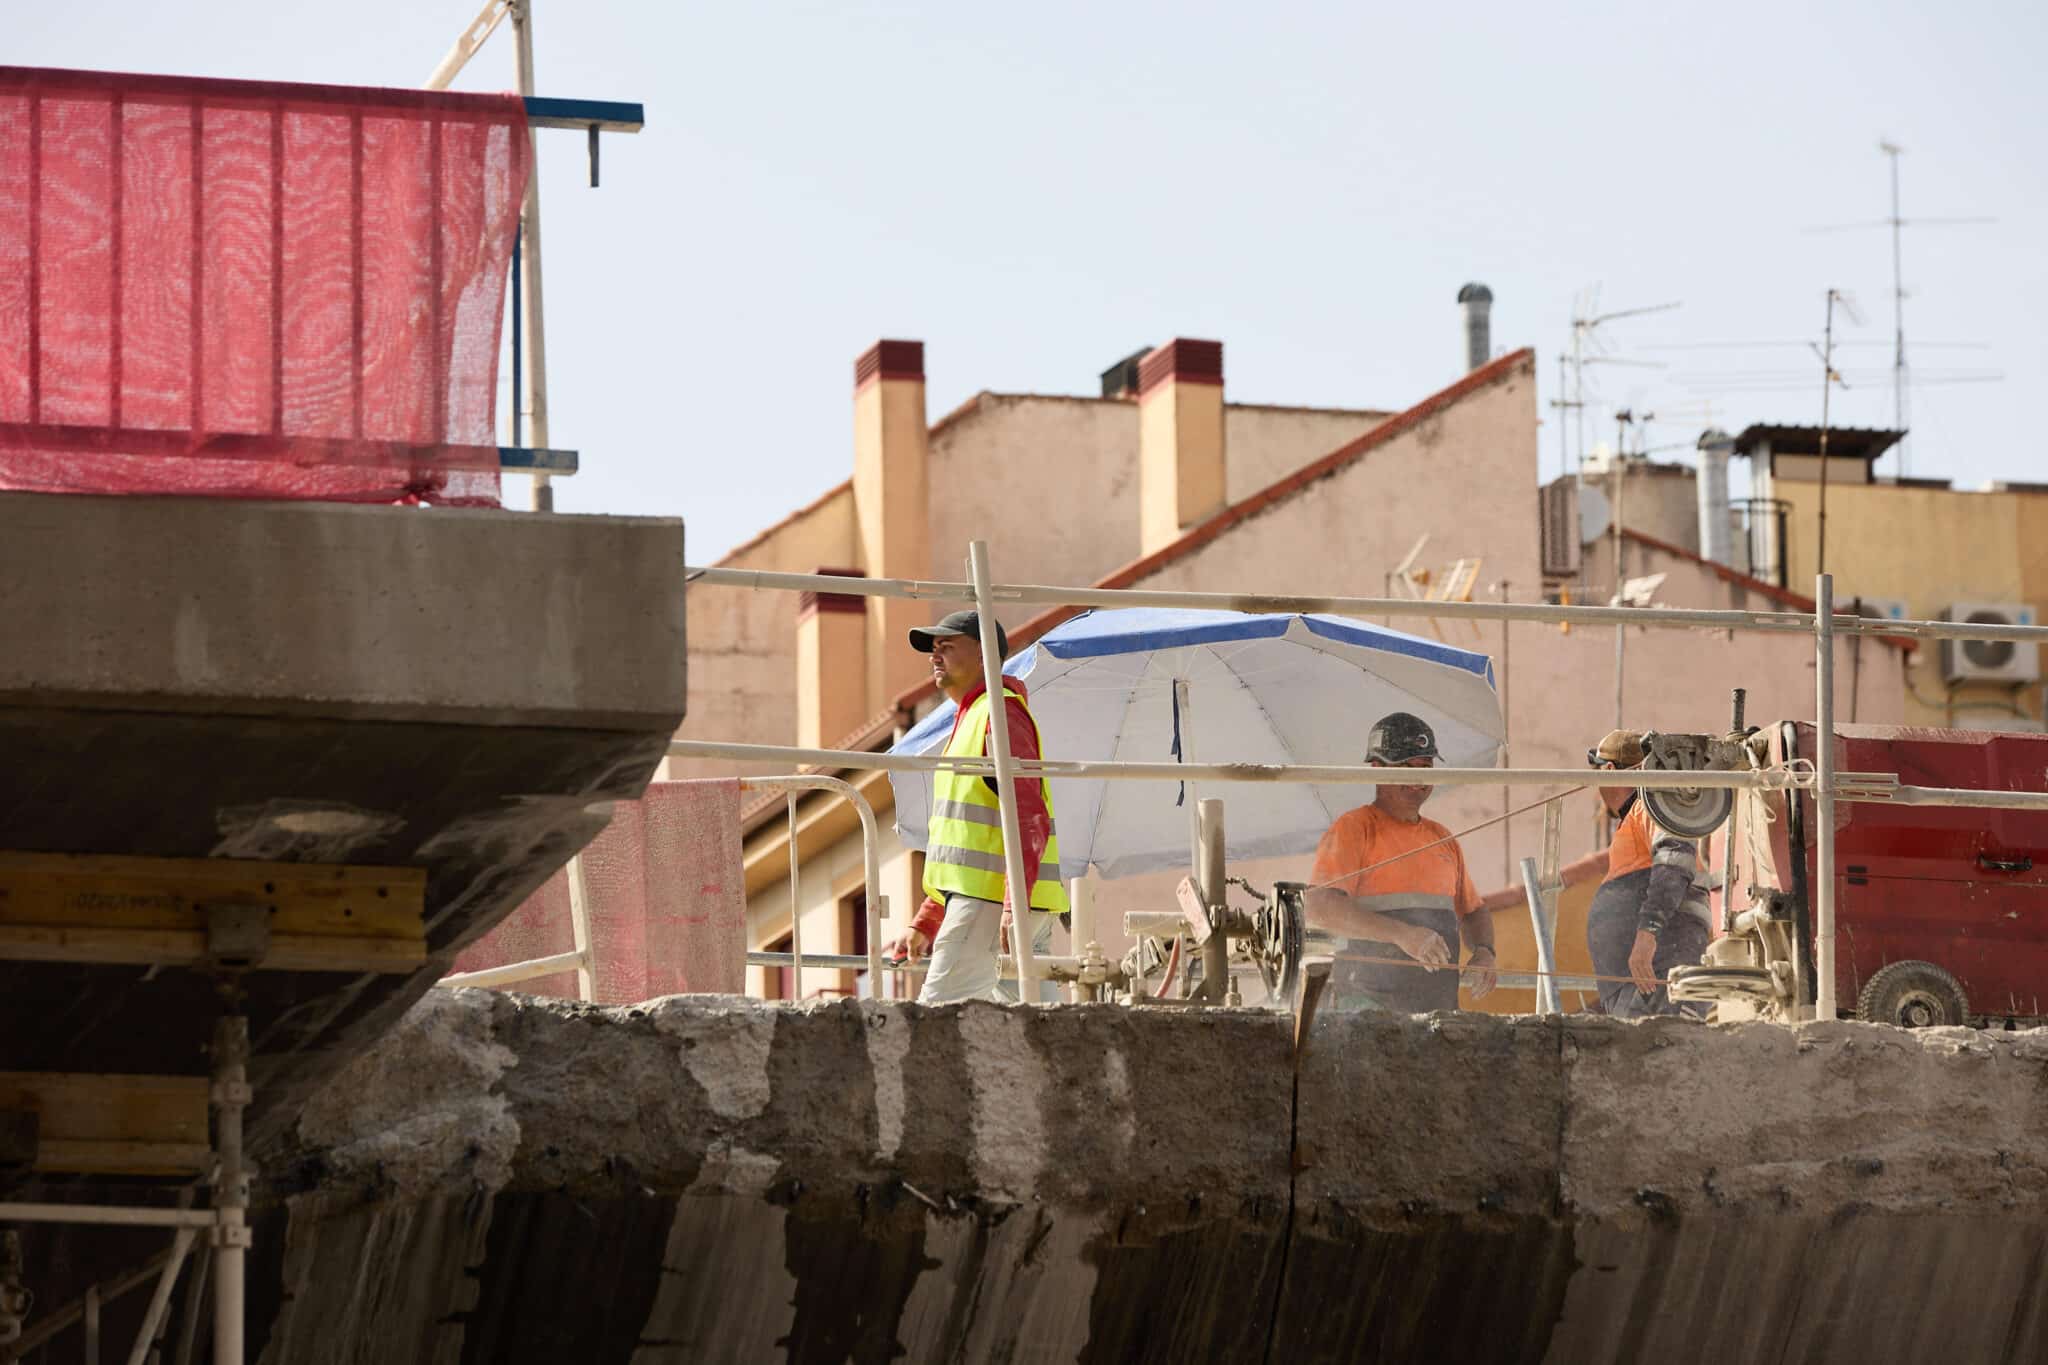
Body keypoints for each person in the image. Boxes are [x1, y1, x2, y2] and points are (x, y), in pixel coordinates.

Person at [888, 610, 1067, 1003]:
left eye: (947, 647)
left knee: (938, 1018)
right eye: (933, 649)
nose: (936, 656)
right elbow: (963, 849)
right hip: (999, 901)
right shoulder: (975, 717)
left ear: (984, 653)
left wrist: (1011, 905)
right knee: (1034, 1023)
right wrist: (928, 920)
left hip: (990, 904)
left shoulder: (997, 713)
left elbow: (1027, 813)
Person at [1303, 712, 1497, 1012]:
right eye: (1407, 767)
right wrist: (1402, 934)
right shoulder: (1355, 828)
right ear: (1377, 769)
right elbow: (1319, 906)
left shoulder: (1442, 839)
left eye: (1426, 767)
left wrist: (1485, 952)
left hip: (1437, 1013)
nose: (1419, 779)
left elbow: (1474, 912)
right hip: (1367, 1010)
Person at [1585, 729, 1712, 1019]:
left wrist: (1647, 934)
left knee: (1668, 1046)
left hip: (1657, 972)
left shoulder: (1653, 806)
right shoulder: (1639, 816)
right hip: (1642, 984)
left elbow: (1674, 861)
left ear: (1608, 771)